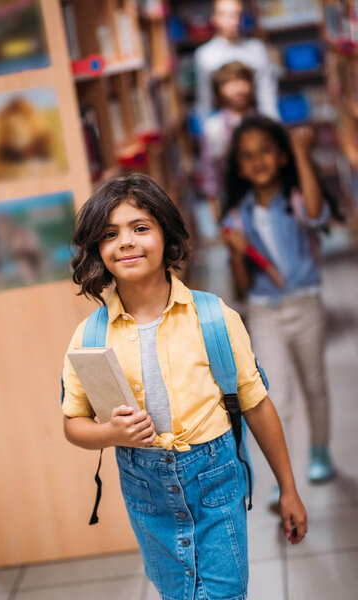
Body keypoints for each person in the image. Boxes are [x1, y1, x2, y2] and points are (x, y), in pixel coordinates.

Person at [61, 173, 307, 600]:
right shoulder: (90, 336)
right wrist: (110, 434)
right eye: (110, 234)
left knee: (224, 594)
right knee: (177, 594)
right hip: (146, 491)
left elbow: (258, 407)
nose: (126, 242)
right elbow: (73, 423)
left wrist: (288, 489)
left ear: (166, 234)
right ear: (97, 250)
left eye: (141, 228)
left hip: (215, 482)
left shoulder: (213, 318)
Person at [221, 115, 337, 509]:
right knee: (271, 396)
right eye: (247, 156)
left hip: (306, 303)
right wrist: (237, 255)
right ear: (238, 167)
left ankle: (320, 450)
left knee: (314, 383)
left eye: (266, 150)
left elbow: (319, 214)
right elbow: (241, 285)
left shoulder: (297, 199)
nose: (257, 161)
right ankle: (280, 476)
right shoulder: (237, 216)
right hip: (264, 311)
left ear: (282, 157)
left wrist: (303, 154)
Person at [194, 0, 278, 124]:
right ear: (214, 19)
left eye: (237, 14)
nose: (234, 20)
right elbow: (204, 99)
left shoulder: (256, 49)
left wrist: (271, 125)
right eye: (225, 15)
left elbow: (267, 93)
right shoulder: (205, 55)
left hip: (254, 120)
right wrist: (207, 131)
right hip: (222, 124)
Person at [200, 61, 256, 221]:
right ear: (219, 92)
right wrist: (215, 207)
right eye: (230, 83)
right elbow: (209, 170)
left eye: (242, 81)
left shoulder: (264, 121)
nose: (238, 88)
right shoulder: (213, 127)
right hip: (232, 199)